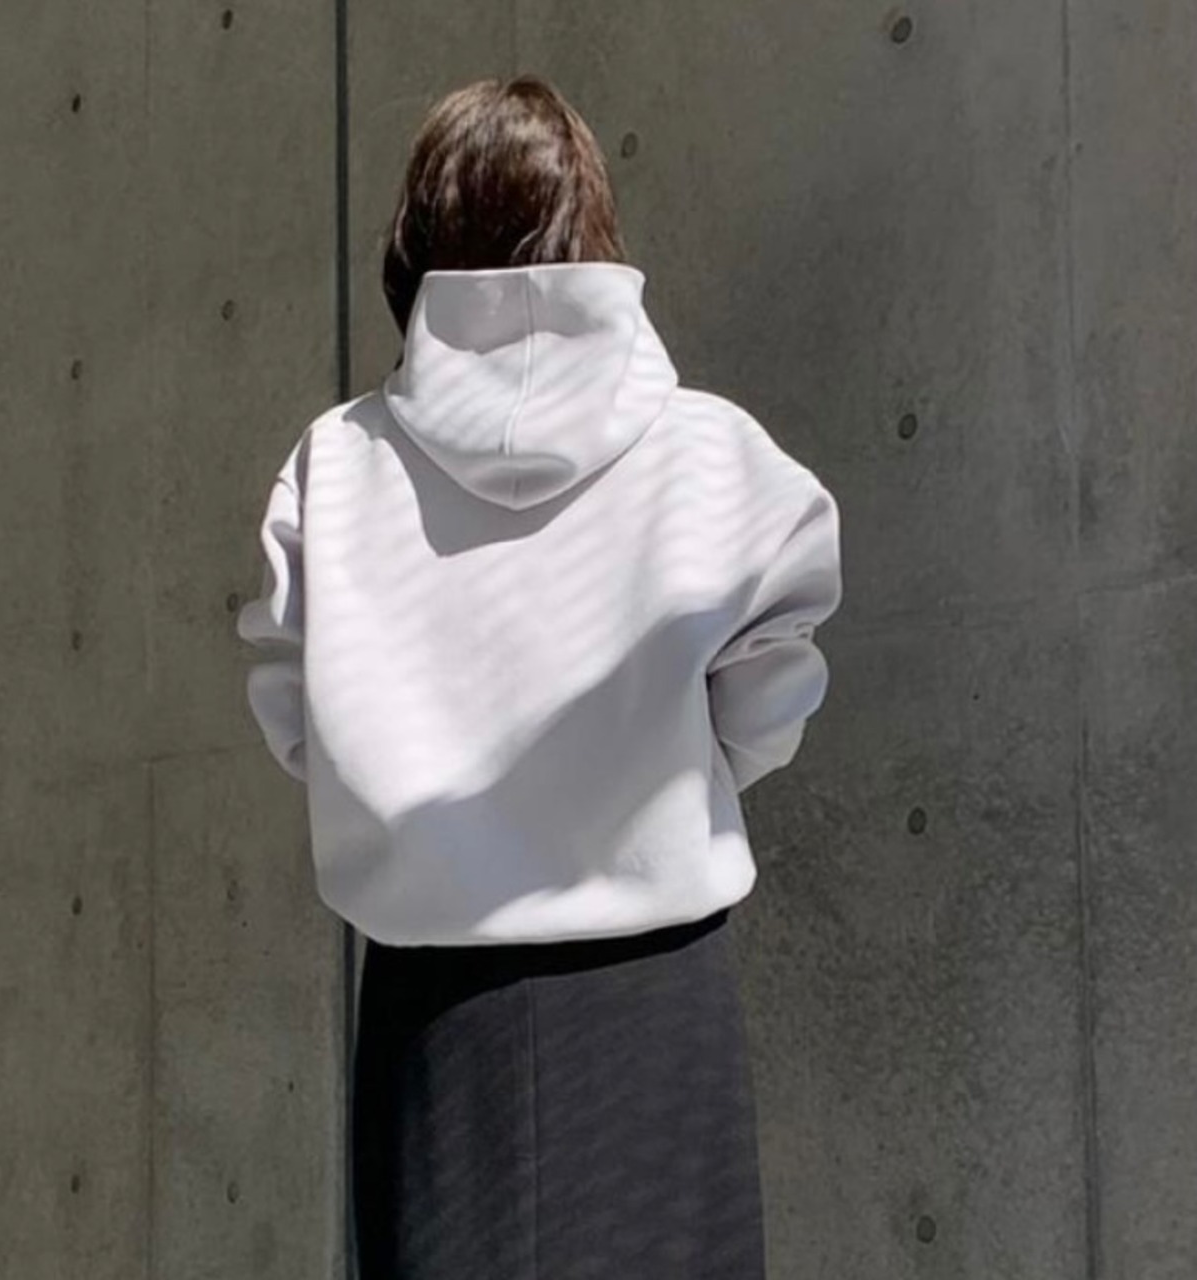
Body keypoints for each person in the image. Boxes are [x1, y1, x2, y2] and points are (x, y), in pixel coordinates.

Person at [236, 73, 843, 1280]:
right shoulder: (710, 453)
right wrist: (644, 775)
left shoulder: (334, 468)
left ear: (416, 232)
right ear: (592, 225)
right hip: (654, 999)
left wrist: (432, 811)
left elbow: (300, 718)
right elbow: (767, 698)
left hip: (432, 1022)